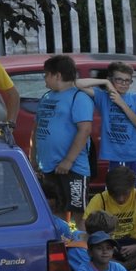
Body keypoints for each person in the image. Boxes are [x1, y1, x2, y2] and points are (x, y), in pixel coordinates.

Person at [32, 55, 96, 222]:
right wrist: (34, 157)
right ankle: (63, 244)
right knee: (55, 211)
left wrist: (68, 160)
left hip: (73, 168)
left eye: (46, 74)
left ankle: (80, 247)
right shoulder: (46, 97)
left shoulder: (78, 97)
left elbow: (85, 130)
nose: (44, 78)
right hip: (48, 166)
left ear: (57, 75)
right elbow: (37, 128)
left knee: (78, 214)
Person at [74, 62, 136, 193]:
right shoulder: (103, 97)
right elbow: (77, 83)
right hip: (116, 157)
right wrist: (106, 82)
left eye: (128, 80)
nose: (124, 84)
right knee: (118, 194)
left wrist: (122, 104)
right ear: (111, 79)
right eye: (119, 80)